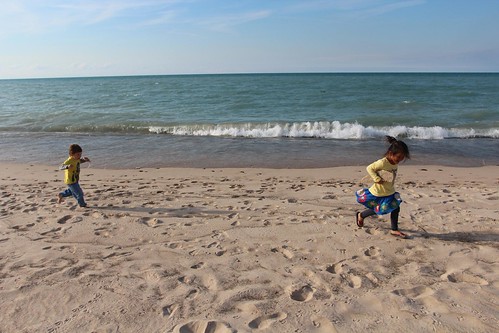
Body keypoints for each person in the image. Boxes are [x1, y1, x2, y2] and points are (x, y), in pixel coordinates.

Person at [355, 136, 410, 238]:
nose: (399, 160)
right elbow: (369, 168)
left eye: (402, 158)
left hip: (389, 191)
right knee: (378, 209)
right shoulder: (382, 162)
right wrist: (376, 178)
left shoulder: (394, 162)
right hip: (379, 192)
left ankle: (394, 229)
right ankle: (361, 215)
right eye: (398, 157)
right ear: (390, 154)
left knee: (395, 208)